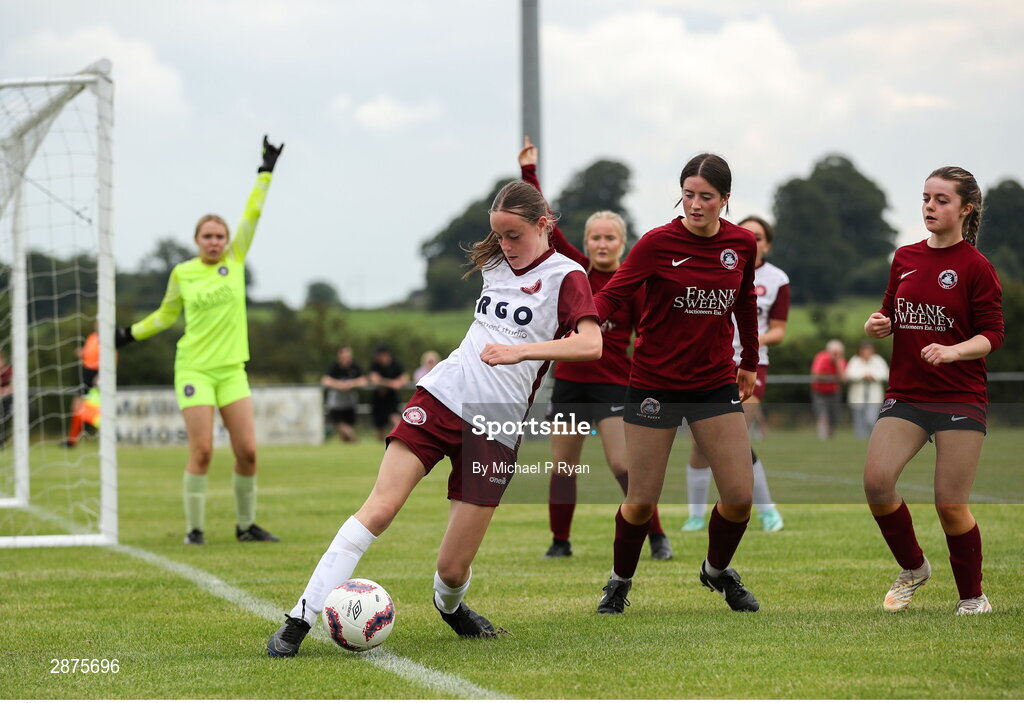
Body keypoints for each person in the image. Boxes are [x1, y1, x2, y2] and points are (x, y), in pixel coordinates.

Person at [266, 178, 601, 656]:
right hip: (442, 396)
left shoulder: (567, 277)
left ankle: (451, 607)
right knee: (380, 506)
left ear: (544, 225)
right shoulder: (494, 260)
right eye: (499, 236)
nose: (505, 247)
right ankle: (299, 619)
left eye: (514, 236)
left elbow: (591, 344)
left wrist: (519, 352)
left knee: (451, 570)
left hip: (496, 426)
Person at [592, 153, 762, 615]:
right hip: (654, 383)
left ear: (725, 200)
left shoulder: (742, 244)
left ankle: (715, 571)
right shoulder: (656, 243)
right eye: (688, 194)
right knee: (642, 500)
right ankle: (619, 581)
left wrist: (750, 360)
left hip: (713, 383)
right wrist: (586, 321)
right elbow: (613, 294)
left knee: (740, 497)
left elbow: (745, 302)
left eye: (707, 196)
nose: (695, 204)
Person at [116, 135, 284, 546]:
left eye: (219, 236)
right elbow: (165, 315)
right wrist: (127, 334)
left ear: (227, 241)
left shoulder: (235, 261)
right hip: (193, 368)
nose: (214, 241)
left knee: (248, 452)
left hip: (231, 371)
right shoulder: (183, 274)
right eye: (207, 236)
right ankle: (194, 531)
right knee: (203, 451)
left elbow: (252, 215)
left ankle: (246, 527)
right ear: (196, 240)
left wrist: (265, 172)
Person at [518, 136, 672, 561]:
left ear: (622, 243)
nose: (602, 244)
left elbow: (652, 337)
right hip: (569, 385)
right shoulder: (574, 270)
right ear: (585, 242)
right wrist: (529, 172)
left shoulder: (633, 283)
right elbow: (544, 220)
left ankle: (657, 537)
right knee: (563, 468)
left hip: (612, 389)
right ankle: (560, 542)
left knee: (625, 468)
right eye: (596, 238)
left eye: (610, 238)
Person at [863, 166, 1003, 616]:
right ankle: (914, 568)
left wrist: (954, 351)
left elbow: (992, 335)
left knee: (949, 503)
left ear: (966, 208)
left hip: (960, 397)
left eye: (941, 200)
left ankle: (972, 598)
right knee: (876, 483)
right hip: (907, 394)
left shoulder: (976, 267)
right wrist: (876, 326)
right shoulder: (904, 257)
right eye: (926, 198)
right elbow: (887, 314)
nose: (930, 206)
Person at [682, 215, 789, 533]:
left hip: (752, 366)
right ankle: (696, 516)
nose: (751, 242)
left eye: (758, 237)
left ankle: (768, 511)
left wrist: (750, 337)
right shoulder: (718, 267)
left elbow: (779, 331)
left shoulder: (777, 279)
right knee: (700, 443)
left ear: (767, 244)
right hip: (709, 364)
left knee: (736, 440)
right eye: (747, 235)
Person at [321, 345, 366, 443]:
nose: (347, 358)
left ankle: (348, 446)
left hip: (349, 402)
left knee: (347, 427)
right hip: (336, 403)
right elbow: (326, 381)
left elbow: (363, 381)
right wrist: (340, 385)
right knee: (340, 424)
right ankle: (355, 440)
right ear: (339, 356)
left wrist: (351, 384)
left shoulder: (354, 367)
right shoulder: (334, 367)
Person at [846, 341, 889, 439]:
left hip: (873, 397)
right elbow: (849, 374)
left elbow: (885, 374)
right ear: (860, 351)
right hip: (858, 397)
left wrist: (873, 376)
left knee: (871, 419)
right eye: (864, 350)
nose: (866, 352)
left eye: (868, 350)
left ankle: (872, 438)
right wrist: (863, 375)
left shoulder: (878, 360)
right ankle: (860, 441)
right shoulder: (855, 360)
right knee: (859, 420)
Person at [65, 325, 100, 447]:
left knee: (92, 407)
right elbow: (89, 353)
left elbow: (112, 358)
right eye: (96, 323)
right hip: (87, 373)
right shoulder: (92, 337)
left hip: (97, 374)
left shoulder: (106, 339)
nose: (96, 325)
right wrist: (82, 352)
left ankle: (74, 440)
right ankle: (72, 439)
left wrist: (100, 375)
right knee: (76, 405)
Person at [368, 344, 409, 441]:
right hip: (378, 399)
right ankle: (380, 444)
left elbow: (404, 379)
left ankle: (399, 439)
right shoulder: (375, 365)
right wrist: (392, 383)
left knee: (395, 419)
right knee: (379, 425)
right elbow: (374, 379)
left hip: (392, 398)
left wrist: (384, 382)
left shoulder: (396, 364)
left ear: (385, 354)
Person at [810, 339, 846, 439]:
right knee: (822, 414)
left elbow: (843, 378)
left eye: (838, 353)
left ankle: (831, 435)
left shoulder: (841, 361)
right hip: (819, 392)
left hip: (834, 392)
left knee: (834, 416)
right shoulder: (821, 357)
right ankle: (823, 437)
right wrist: (832, 377)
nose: (836, 355)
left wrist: (837, 364)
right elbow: (816, 375)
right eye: (834, 353)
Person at [0, 351, 11, 448]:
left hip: (8, 400)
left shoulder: (8, 370)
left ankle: (2, 440)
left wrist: (8, 389)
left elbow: (16, 384)